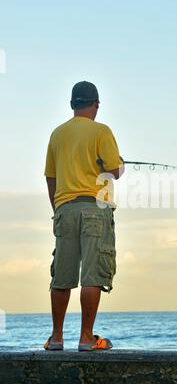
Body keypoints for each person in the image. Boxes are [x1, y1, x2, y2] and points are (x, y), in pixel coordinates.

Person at [43, 81, 125, 352]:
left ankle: (56, 338)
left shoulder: (57, 134)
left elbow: (50, 177)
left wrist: (59, 210)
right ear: (96, 104)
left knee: (62, 275)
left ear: (71, 104)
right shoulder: (101, 131)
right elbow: (114, 170)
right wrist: (119, 165)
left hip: (64, 209)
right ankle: (86, 338)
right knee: (93, 274)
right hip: (95, 208)